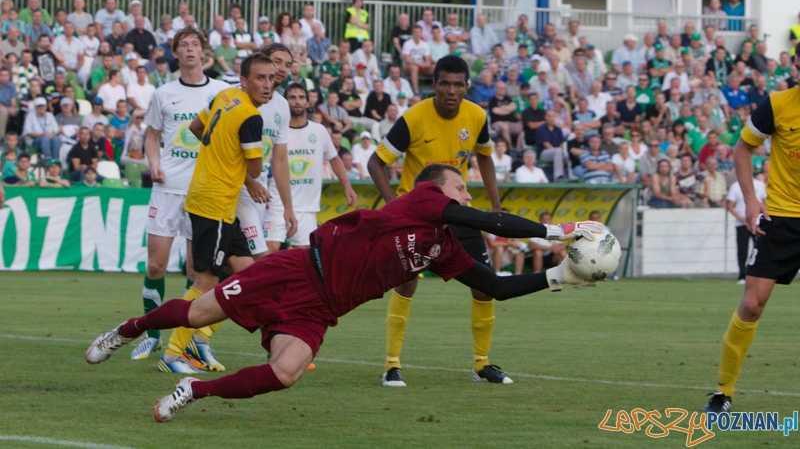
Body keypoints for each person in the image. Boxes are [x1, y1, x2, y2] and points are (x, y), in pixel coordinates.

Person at [86, 163, 605, 421]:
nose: (465, 193)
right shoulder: (423, 199)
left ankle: (191, 392)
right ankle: (123, 330)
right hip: (296, 269)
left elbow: (494, 286)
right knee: (197, 315)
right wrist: (555, 231)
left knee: (286, 372)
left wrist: (561, 277)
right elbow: (479, 216)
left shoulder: (444, 249)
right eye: (460, 186)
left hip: (323, 307)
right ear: (436, 189)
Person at [368, 55, 512, 388]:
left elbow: (485, 156)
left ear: (466, 87)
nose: (452, 90)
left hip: (458, 212)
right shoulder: (414, 118)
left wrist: (495, 205)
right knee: (406, 284)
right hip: (417, 218)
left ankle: (482, 365)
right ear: (434, 85)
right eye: (445, 83)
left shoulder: (476, 116)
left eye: (458, 84)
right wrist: (395, 207)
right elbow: (376, 162)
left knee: (485, 285)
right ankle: (391, 365)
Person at [702, 46, 800, 412]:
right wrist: (750, 200)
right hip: (782, 219)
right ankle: (723, 392)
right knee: (751, 304)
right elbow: (742, 148)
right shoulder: (777, 105)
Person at [129, 28, 231, 369]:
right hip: (168, 188)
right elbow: (152, 137)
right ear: (175, 53)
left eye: (195, 45)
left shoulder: (221, 92)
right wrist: (154, 165)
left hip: (204, 190)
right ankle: (153, 335)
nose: (189, 50)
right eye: (183, 45)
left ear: (204, 53)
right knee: (156, 265)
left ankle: (185, 343)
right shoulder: (163, 93)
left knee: (196, 270)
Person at [264, 82, 357, 253]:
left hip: (307, 207)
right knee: (268, 253)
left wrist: (347, 186)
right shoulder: (276, 131)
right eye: (292, 97)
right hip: (278, 203)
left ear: (308, 102)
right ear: (285, 102)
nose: (297, 101)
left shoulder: (319, 131)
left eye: (301, 97)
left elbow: (334, 159)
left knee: (303, 257)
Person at [234, 43, 297, 261]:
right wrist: (249, 182)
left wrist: (288, 207)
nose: (282, 68)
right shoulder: (236, 96)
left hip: (258, 195)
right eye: (277, 61)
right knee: (260, 259)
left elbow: (279, 160)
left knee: (225, 267)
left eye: (287, 64)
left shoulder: (281, 106)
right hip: (232, 186)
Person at [727, 173, 767, 285]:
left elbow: (765, 202)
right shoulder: (736, 186)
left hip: (758, 222)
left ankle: (760, 275)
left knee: (761, 249)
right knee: (742, 250)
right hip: (742, 223)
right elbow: (730, 205)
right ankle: (742, 276)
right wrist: (740, 217)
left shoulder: (760, 185)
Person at [402, 25, 434, 94]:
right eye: (415, 32)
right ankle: (416, 91)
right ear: (412, 33)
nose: (417, 34)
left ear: (421, 33)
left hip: (422, 66)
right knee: (414, 68)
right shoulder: (407, 44)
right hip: (410, 66)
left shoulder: (425, 44)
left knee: (435, 68)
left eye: (419, 32)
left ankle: (436, 90)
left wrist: (427, 63)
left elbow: (427, 59)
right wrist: (419, 63)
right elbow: (407, 60)